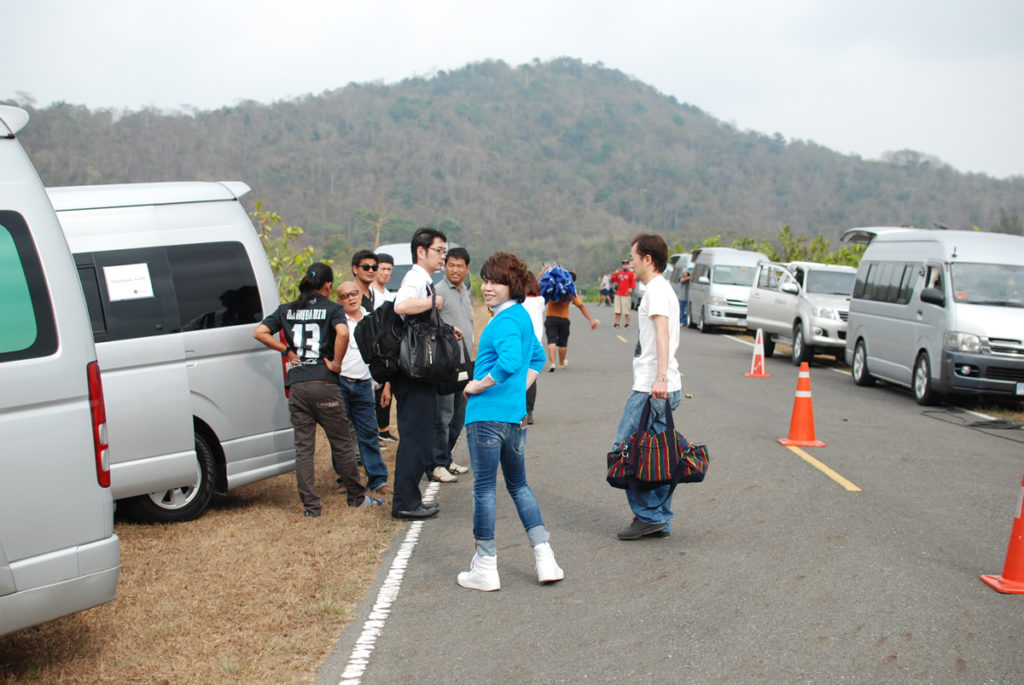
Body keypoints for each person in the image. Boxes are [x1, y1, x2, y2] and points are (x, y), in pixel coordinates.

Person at [457, 251, 563, 591]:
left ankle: (485, 565)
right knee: (519, 485)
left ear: (512, 285)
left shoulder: (501, 321)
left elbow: (509, 361)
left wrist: (478, 384)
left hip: (486, 416)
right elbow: (535, 356)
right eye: (485, 281)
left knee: (484, 489)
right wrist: (519, 390)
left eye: (496, 282)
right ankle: (545, 557)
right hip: (513, 417)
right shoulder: (519, 316)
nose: (488, 288)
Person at [253, 263, 382, 517]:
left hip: (298, 385)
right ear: (328, 286)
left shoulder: (286, 310)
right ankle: (356, 498)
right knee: (342, 444)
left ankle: (312, 507)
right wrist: (336, 363)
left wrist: (287, 351)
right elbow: (343, 333)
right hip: (325, 384)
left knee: (304, 448)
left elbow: (260, 332)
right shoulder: (333, 309)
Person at [609, 235, 682, 540]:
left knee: (625, 451)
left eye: (634, 257)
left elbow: (662, 334)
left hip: (652, 388)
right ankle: (659, 519)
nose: (632, 263)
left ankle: (648, 515)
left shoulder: (655, 291)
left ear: (648, 259)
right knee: (658, 454)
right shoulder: (661, 289)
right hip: (661, 385)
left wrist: (660, 378)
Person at [391, 227, 459, 520]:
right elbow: (401, 306)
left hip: (420, 372)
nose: (443, 256)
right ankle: (405, 502)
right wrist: (435, 302)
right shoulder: (416, 277)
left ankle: (411, 498)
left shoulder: (424, 278)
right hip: (412, 373)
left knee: (420, 436)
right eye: (439, 250)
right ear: (421, 251)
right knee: (415, 437)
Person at [336, 280, 393, 497]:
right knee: (343, 434)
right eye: (345, 295)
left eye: (353, 293)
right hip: (341, 382)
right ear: (339, 300)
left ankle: (378, 480)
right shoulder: (337, 321)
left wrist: (385, 384)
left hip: (364, 383)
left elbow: (384, 353)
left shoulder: (372, 320)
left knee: (369, 432)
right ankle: (347, 479)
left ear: (360, 295)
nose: (351, 298)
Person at [429, 247, 474, 483]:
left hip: (464, 362)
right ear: (445, 266)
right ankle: (436, 464)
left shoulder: (466, 290)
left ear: (467, 268)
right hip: (445, 363)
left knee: (459, 415)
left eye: (460, 266)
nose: (455, 270)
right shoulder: (438, 291)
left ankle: (446, 459)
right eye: (451, 265)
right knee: (443, 416)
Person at [540, 265, 597, 372]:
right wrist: (590, 319)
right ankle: (561, 363)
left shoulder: (553, 288)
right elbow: (581, 306)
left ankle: (552, 363)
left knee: (551, 340)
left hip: (551, 318)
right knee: (562, 342)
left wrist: (545, 270)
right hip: (564, 319)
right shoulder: (570, 292)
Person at [371, 253, 397, 443]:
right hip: (370, 350)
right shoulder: (369, 295)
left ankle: (384, 430)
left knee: (386, 390)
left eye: (389, 270)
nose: (386, 273)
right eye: (383, 269)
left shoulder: (390, 296)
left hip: (387, 350)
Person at [522, 272, 545, 425]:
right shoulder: (540, 300)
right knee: (532, 378)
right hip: (536, 343)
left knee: (518, 376)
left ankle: (519, 409)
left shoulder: (519, 302)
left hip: (521, 342)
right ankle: (529, 411)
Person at [611, 258, 636, 328]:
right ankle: (617, 323)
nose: (625, 266)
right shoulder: (619, 273)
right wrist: (614, 274)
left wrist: (631, 289)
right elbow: (613, 280)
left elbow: (633, 283)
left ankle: (627, 323)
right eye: (623, 264)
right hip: (618, 293)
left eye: (626, 264)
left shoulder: (631, 273)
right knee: (617, 309)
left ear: (628, 265)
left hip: (626, 294)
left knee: (626, 309)